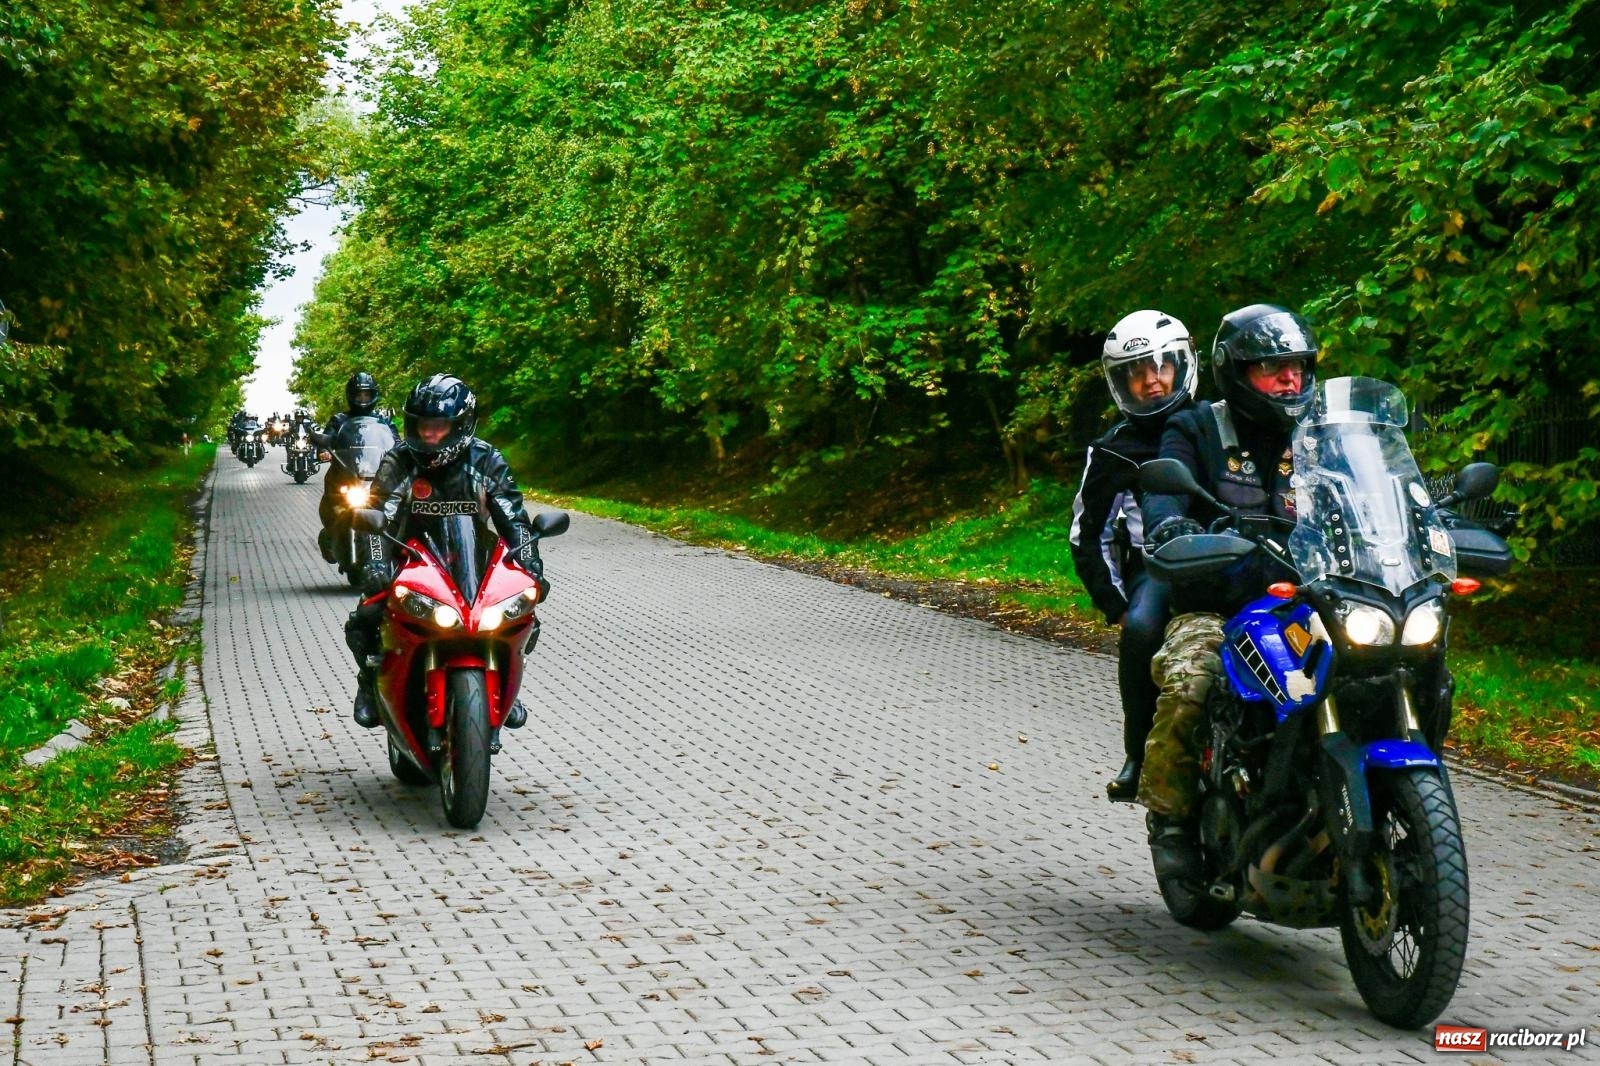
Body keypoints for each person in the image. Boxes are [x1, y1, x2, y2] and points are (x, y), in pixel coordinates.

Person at [1137, 303, 1317, 881]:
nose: (1291, 379)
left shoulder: (1321, 436)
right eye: (1273, 367)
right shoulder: (1196, 428)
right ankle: (1168, 818)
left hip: (1313, 605)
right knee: (1193, 682)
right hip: (1221, 607)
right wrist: (1170, 523)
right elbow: (1163, 487)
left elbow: (1376, 491)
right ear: (1237, 373)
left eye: (1298, 366)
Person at [343, 373, 545, 728]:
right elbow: (377, 513)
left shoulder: (486, 460)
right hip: (409, 557)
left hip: (471, 561)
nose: (428, 434)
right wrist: (376, 562)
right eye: (421, 425)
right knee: (366, 616)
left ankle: (506, 687)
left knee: (522, 615)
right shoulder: (400, 460)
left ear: (461, 425)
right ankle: (368, 683)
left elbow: (513, 518)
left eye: (437, 426)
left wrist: (530, 562)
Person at [1070, 309, 1198, 801]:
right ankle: (1139, 754)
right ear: (1119, 381)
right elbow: (1087, 534)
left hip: (1235, 556)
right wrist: (1117, 605)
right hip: (1157, 566)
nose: (1152, 380)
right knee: (1144, 629)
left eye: (1162, 366)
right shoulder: (1113, 449)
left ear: (1183, 365)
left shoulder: (1216, 424)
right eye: (1137, 372)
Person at [311, 373, 388, 562]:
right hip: (346, 474)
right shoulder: (339, 420)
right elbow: (326, 438)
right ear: (351, 396)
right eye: (359, 395)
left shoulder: (382, 422)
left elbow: (396, 442)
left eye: (366, 395)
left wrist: (401, 452)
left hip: (375, 475)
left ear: (373, 396)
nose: (363, 399)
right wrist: (324, 449)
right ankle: (330, 533)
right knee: (333, 499)